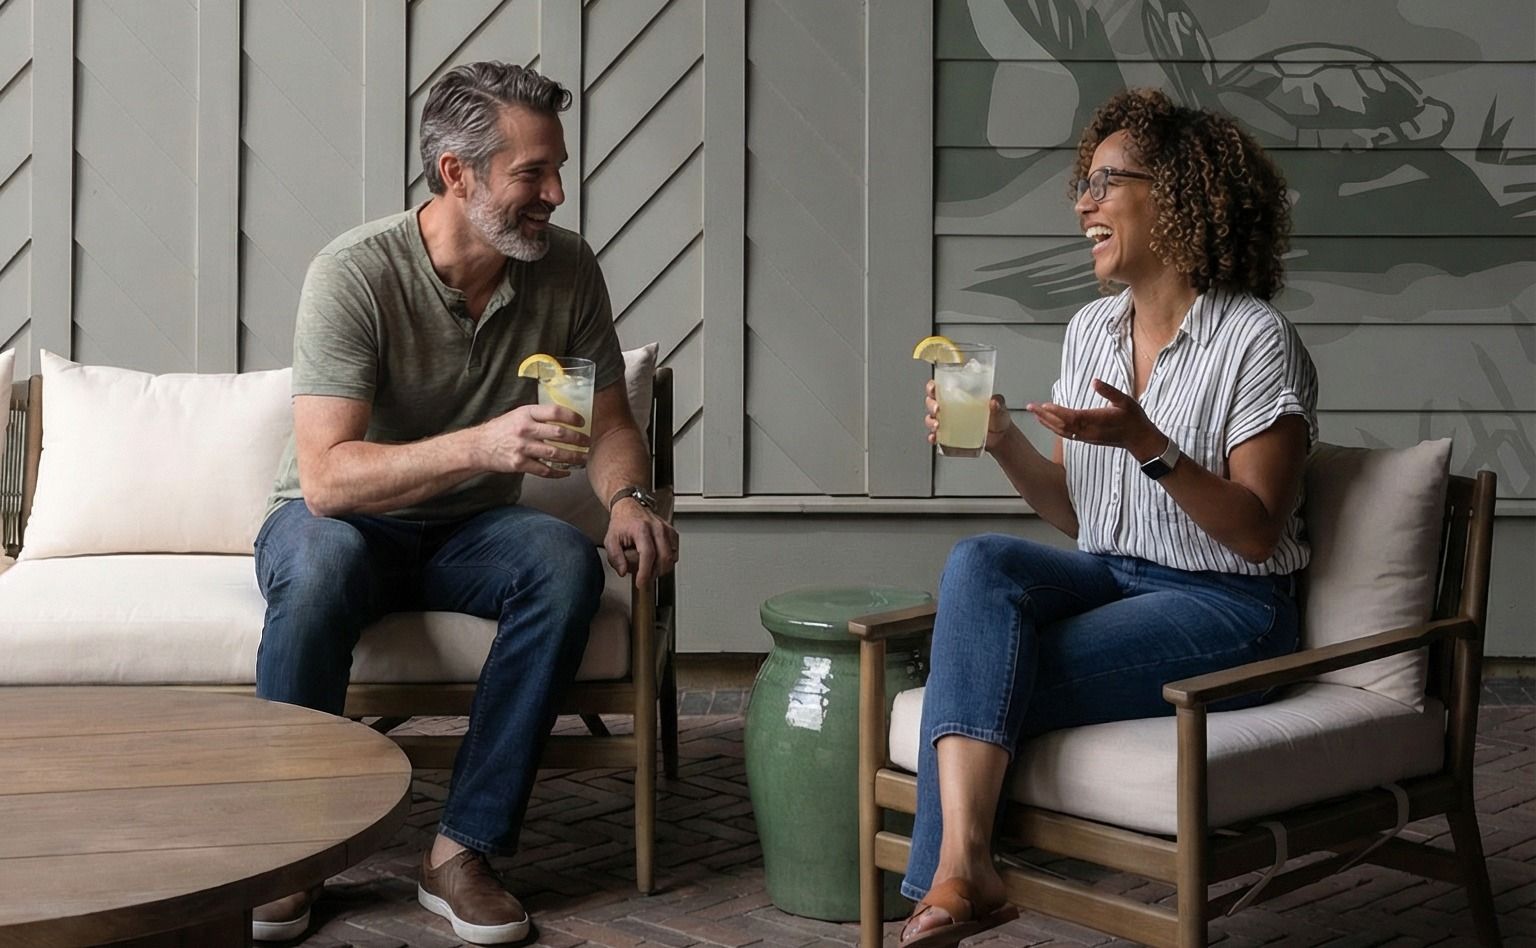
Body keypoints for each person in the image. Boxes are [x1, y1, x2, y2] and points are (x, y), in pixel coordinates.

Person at [250, 62, 678, 945]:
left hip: (467, 534)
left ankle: (461, 850)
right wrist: (482, 445)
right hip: (339, 522)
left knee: (564, 564)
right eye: (532, 173)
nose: (556, 192)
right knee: (326, 558)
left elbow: (607, 422)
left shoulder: (565, 271)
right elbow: (327, 479)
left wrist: (629, 497)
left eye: (557, 168)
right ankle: (286, 851)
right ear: (457, 172)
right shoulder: (356, 272)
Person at [900, 88, 1318, 948]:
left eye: (1104, 182)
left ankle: (948, 881)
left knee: (979, 669)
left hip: (1230, 606)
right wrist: (1005, 441)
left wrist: (1149, 443)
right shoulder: (1091, 329)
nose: (1083, 204)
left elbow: (1256, 531)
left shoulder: (1256, 339)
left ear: (1176, 195)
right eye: (1082, 187)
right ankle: (966, 872)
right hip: (1116, 576)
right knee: (981, 563)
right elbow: (1075, 509)